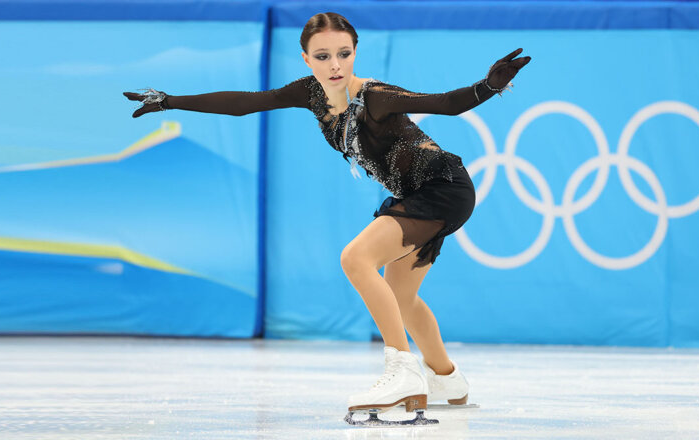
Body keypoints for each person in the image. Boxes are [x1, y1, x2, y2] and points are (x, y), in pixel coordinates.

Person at [124, 11, 530, 425]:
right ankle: (447, 380)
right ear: (306, 59)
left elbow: (445, 103)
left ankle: (402, 370)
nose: (335, 65)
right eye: (322, 56)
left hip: (443, 189)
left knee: (356, 258)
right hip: (416, 194)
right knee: (401, 298)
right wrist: (171, 101)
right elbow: (246, 103)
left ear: (355, 52)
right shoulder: (310, 93)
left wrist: (488, 86)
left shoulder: (375, 97)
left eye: (343, 53)